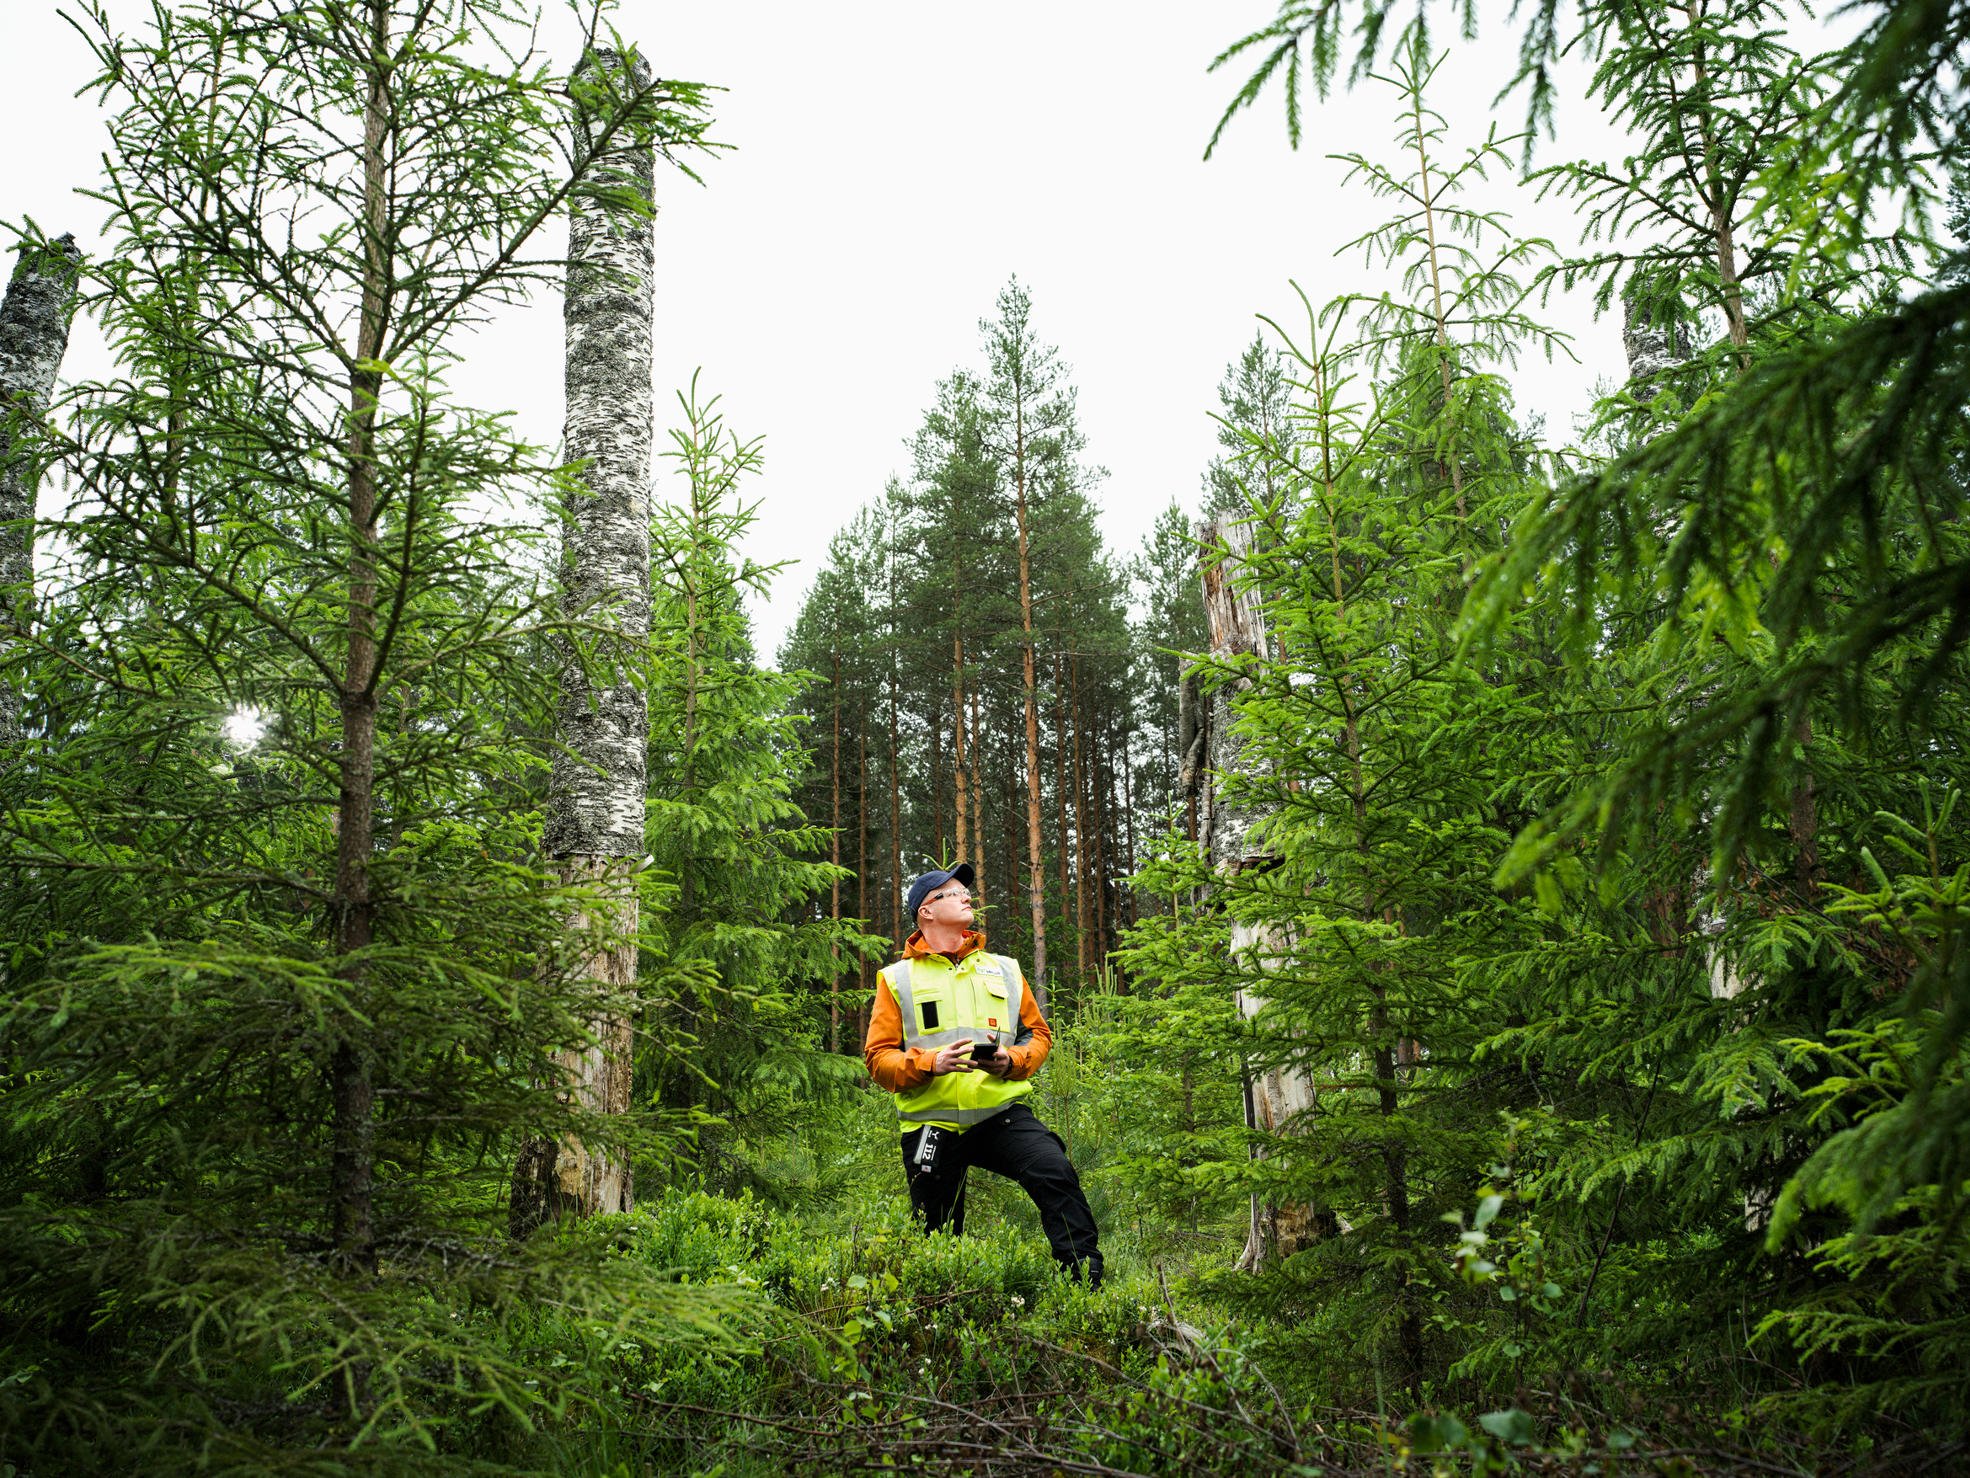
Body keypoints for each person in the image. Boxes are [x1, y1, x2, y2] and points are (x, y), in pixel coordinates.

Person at [863, 863, 1103, 1287]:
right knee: (935, 1232)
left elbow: (1038, 1034)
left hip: (999, 1114)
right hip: (930, 1124)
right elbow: (878, 1058)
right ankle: (944, 1317)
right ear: (926, 912)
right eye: (951, 893)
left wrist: (1011, 1061)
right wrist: (928, 1063)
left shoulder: (1004, 969)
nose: (965, 896)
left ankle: (1086, 1287)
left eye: (965, 891)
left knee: (1055, 1173)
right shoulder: (897, 979)